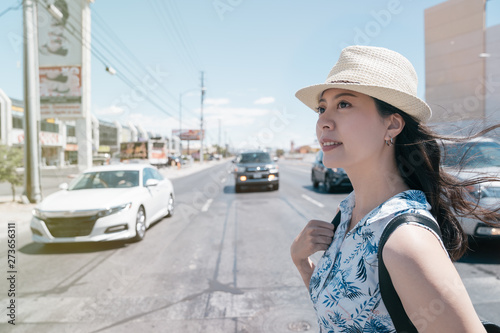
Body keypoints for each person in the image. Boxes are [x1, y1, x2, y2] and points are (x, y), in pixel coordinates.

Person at [290, 45, 499, 332]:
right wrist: (302, 263)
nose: (323, 122)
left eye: (344, 104)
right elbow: (340, 315)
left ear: (392, 124)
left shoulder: (406, 241)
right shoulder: (348, 213)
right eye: (322, 108)